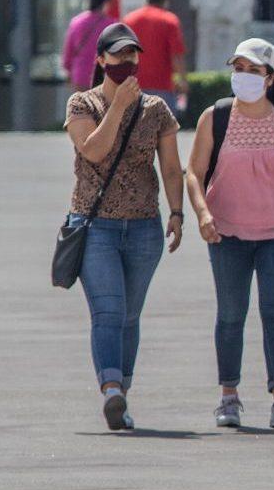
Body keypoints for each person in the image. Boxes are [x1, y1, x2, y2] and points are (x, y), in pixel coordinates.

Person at [184, 38, 274, 430]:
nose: (243, 77)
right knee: (231, 315)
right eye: (238, 69)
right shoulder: (216, 116)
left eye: (253, 70)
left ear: (271, 77)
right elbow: (193, 171)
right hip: (226, 232)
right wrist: (201, 214)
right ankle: (228, 397)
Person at [64, 23, 184, 430]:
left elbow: (170, 166)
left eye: (132, 56)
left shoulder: (156, 110)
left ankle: (122, 395)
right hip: (95, 226)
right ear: (101, 60)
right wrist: (117, 108)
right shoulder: (82, 104)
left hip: (143, 227)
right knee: (109, 311)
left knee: (130, 316)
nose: (126, 64)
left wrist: (177, 212)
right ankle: (111, 389)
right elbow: (93, 150)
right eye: (117, 57)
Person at [124, 0, 188, 121]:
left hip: (132, 86)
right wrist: (182, 80)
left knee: (134, 135)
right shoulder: (169, 20)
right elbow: (176, 55)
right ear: (165, 1)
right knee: (164, 134)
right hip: (162, 87)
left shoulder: (129, 20)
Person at [62, 0, 116, 93]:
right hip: (103, 77)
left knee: (82, 108)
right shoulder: (111, 24)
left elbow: (68, 53)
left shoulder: (76, 22)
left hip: (80, 76)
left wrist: (69, 71)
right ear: (105, 3)